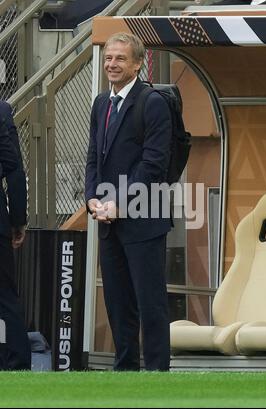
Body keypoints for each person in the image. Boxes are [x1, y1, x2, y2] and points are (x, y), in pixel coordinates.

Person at [85, 33, 172, 371]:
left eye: (120, 58)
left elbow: (153, 165)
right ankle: (124, 372)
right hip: (108, 221)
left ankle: (156, 374)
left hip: (144, 220)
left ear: (138, 63)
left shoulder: (153, 103)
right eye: (108, 58)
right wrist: (92, 198)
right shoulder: (100, 104)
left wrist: (120, 203)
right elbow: (94, 157)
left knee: (150, 304)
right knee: (119, 303)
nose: (112, 64)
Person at [0, 100, 31, 370]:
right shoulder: (1, 111)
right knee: (5, 298)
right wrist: (18, 219)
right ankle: (17, 366)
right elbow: (13, 167)